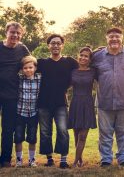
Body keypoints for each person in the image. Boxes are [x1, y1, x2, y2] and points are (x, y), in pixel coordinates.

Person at [92, 27, 124, 167]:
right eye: (111, 36)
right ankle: (106, 158)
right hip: (104, 101)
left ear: (122, 38)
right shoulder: (97, 56)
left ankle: (123, 157)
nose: (114, 39)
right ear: (107, 39)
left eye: (117, 36)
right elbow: (85, 65)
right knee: (105, 133)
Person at [37, 34, 78, 168]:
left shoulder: (70, 62)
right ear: (48, 46)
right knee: (45, 131)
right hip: (43, 103)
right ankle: (49, 158)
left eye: (58, 43)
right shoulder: (41, 63)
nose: (55, 45)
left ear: (62, 45)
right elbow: (26, 67)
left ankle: (63, 159)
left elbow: (83, 68)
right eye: (53, 43)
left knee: (62, 130)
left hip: (61, 102)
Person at [0, 21, 30, 167]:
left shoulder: (22, 49)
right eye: (12, 32)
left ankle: (5, 159)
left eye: (18, 33)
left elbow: (31, 63)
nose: (15, 35)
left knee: (7, 129)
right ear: (6, 32)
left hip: (12, 95)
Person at [68, 47, 96, 167]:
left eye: (86, 56)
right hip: (75, 102)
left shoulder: (93, 71)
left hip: (87, 103)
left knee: (83, 135)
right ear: (78, 56)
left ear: (90, 59)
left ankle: (75, 162)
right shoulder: (72, 71)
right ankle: (79, 159)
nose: (83, 58)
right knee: (76, 133)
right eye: (81, 55)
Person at [14, 56, 41, 168]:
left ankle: (31, 160)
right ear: (22, 69)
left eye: (30, 67)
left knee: (32, 138)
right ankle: (19, 160)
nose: (28, 70)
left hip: (34, 113)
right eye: (25, 68)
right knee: (18, 137)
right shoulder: (19, 78)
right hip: (20, 112)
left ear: (35, 68)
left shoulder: (40, 79)